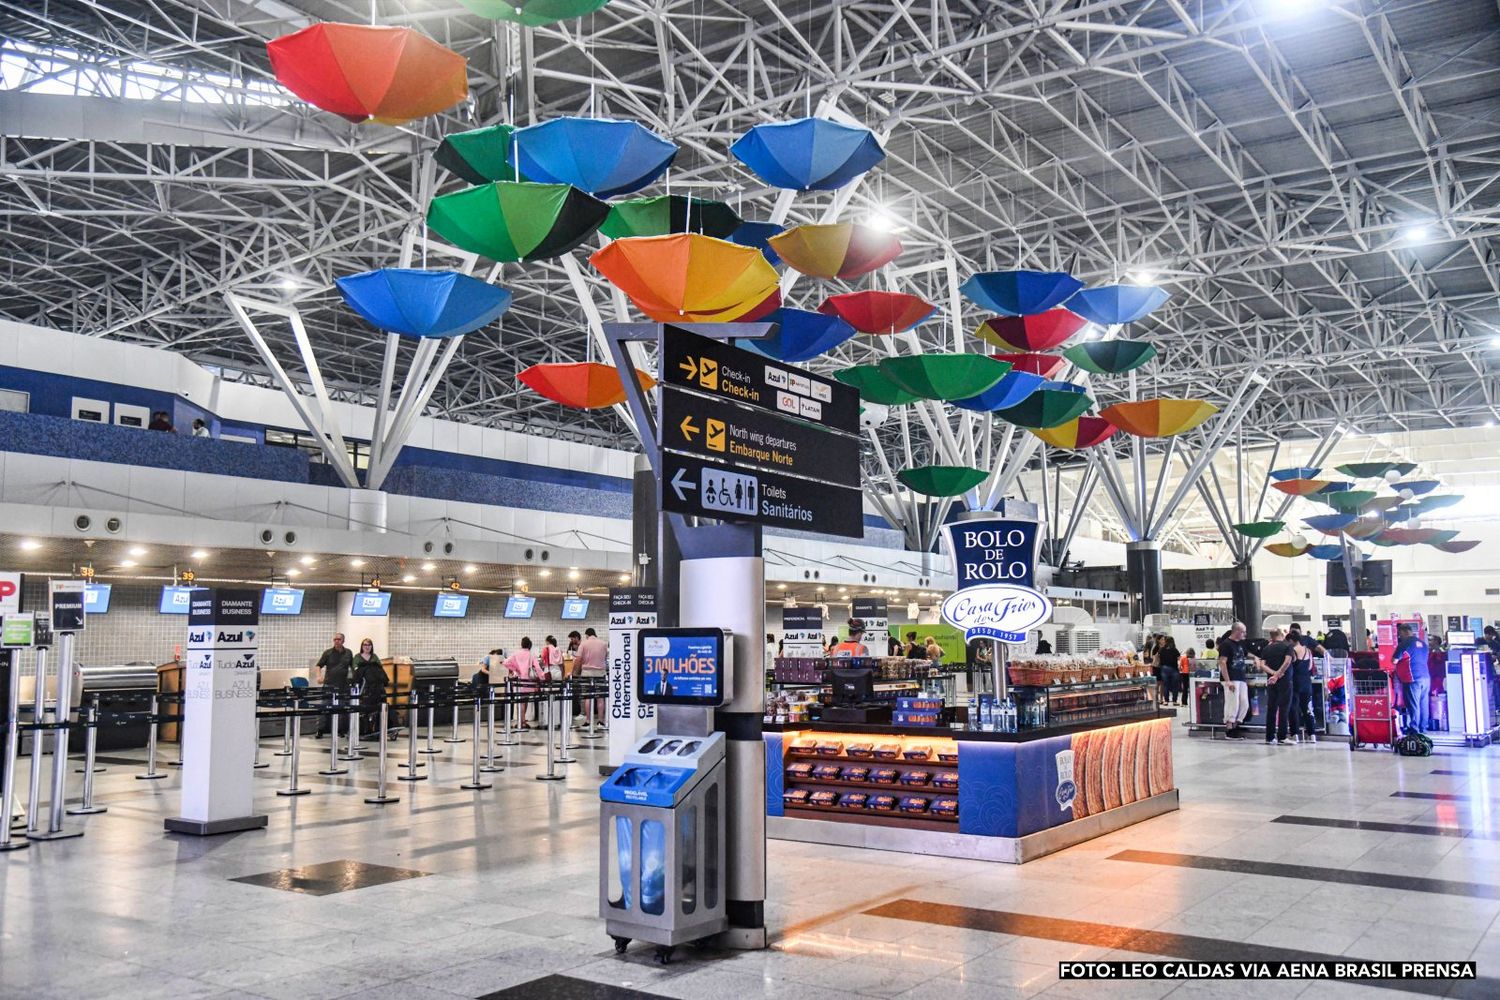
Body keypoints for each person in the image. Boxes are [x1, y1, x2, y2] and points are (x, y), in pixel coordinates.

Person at [1288, 624, 1325, 744]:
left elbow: (1288, 666)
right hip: (1306, 682)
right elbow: (1310, 667)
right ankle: (1312, 734)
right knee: (1308, 709)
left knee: (1294, 708)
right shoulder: (1308, 651)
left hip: (1294, 682)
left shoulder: (1292, 651)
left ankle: (1295, 735)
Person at [1260, 628, 1295, 746]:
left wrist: (1273, 674)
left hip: (1271, 681)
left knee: (1271, 708)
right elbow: (1287, 661)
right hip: (1284, 681)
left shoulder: (1266, 648)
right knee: (1284, 708)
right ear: (1281, 634)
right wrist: (1278, 674)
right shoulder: (1287, 646)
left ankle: (1269, 737)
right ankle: (1282, 736)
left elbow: (1262, 665)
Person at [1217, 622, 1252, 739]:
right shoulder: (1226, 645)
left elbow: (1246, 654)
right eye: (1242, 632)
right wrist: (1228, 680)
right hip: (1231, 677)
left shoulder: (1240, 644)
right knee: (1233, 702)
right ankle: (1229, 726)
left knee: (1244, 702)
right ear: (1236, 631)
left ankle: (1236, 723)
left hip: (1241, 677)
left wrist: (1256, 658)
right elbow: (1222, 662)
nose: (1244, 634)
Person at [315, 632, 353, 736]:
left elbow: (352, 667)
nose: (336, 641)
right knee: (323, 707)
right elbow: (319, 665)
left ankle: (341, 730)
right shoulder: (328, 653)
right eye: (335, 639)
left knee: (341, 709)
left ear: (343, 641)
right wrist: (318, 676)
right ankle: (320, 730)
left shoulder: (348, 653)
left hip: (343, 685)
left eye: (339, 639)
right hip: (329, 685)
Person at [1393, 623, 1428, 733]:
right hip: (1426, 677)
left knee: (1413, 704)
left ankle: (1414, 729)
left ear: (1403, 632)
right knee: (1423, 703)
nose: (1399, 636)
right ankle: (1423, 727)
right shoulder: (1423, 644)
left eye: (1399, 634)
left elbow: (1394, 660)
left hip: (1412, 677)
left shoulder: (1405, 643)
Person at [504, 637, 543, 728]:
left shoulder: (516, 653)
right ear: (530, 645)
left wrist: (515, 669)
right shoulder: (531, 654)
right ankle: (522, 721)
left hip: (518, 680)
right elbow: (537, 668)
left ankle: (521, 721)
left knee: (519, 701)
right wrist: (542, 677)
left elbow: (506, 663)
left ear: (522, 644)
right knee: (524, 701)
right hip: (528, 681)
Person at [352, 638, 387, 732]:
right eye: (365, 645)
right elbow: (356, 670)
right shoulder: (357, 657)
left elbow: (380, 670)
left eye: (369, 645)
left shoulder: (374, 656)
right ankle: (365, 728)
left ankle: (379, 727)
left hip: (376, 686)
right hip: (364, 686)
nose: (367, 647)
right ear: (362, 646)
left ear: (371, 646)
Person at [575, 627, 608, 726]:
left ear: (587, 635)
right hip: (600, 673)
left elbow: (578, 659)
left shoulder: (584, 644)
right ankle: (600, 720)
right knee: (600, 697)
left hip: (586, 673)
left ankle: (588, 720)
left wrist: (574, 672)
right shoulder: (604, 644)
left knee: (588, 697)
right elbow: (605, 657)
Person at [1157, 633, 1180, 707]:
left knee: (1165, 685)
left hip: (1164, 668)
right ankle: (1174, 701)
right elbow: (1179, 658)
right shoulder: (1174, 649)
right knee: (1175, 685)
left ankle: (1166, 701)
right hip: (1174, 668)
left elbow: (1158, 657)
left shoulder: (1162, 649)